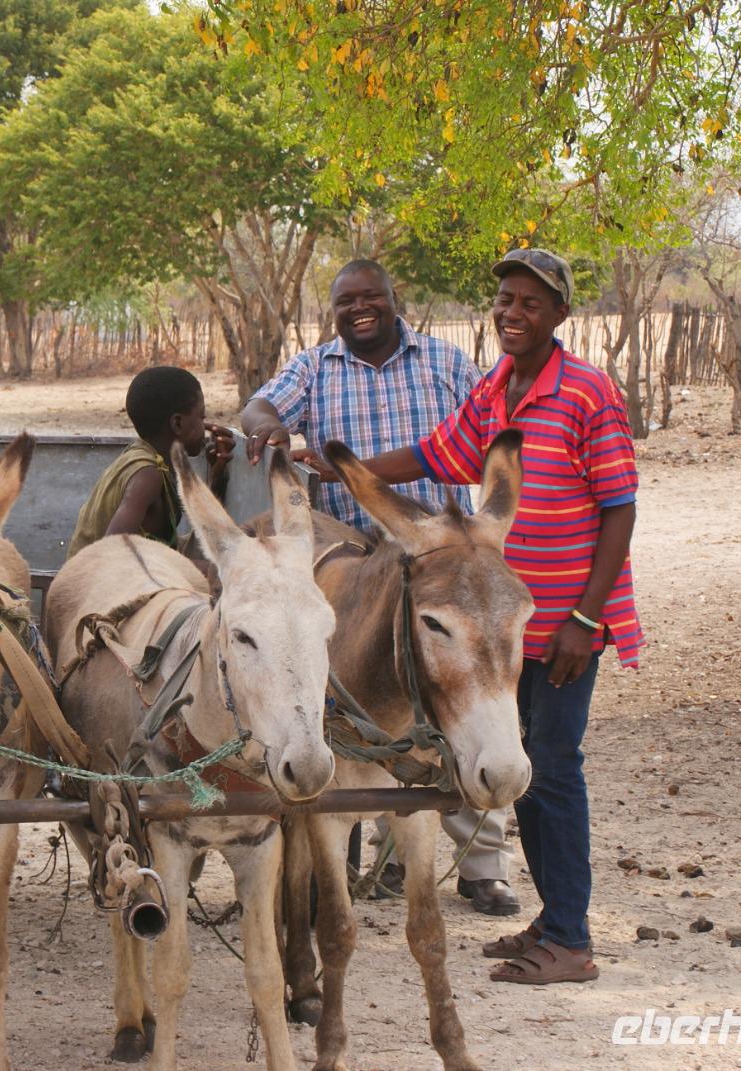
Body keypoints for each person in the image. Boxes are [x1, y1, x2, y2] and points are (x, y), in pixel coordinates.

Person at [357, 247, 643, 985]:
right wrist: (347, 469)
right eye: (505, 300)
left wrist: (587, 619)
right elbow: (440, 452)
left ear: (560, 314)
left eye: (530, 303)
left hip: (564, 626)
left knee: (555, 770)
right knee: (528, 771)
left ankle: (572, 941)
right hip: (501, 630)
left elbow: (620, 507)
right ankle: (552, 920)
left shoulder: (587, 393)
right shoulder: (496, 388)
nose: (512, 313)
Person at [239, 259, 518, 916]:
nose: (359, 309)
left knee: (460, 693)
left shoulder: (447, 362)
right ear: (334, 310)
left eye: (371, 297)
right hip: (358, 557)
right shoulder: (315, 367)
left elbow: (492, 429)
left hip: (440, 559)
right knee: (363, 703)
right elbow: (259, 405)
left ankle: (481, 864)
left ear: (396, 299)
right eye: (345, 301)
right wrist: (266, 426)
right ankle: (362, 847)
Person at [67, 365, 233, 561]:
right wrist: (209, 570)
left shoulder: (144, 455)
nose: (205, 426)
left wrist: (216, 478)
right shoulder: (147, 475)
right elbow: (113, 554)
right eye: (201, 417)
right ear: (178, 423)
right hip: (98, 576)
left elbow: (170, 548)